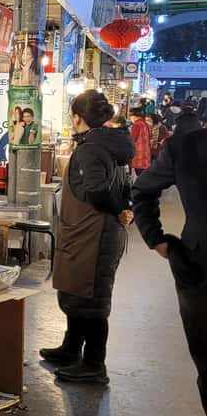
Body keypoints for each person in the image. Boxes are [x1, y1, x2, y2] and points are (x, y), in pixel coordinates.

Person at [43, 90, 134, 384]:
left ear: (77, 118)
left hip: (95, 235)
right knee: (77, 293)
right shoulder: (104, 143)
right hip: (86, 232)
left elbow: (96, 190)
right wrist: (123, 206)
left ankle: (94, 364)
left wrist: (119, 209)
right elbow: (122, 185)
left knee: (92, 300)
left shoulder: (91, 149)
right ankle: (71, 348)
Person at [131, 122, 207, 412]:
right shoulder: (185, 147)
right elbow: (142, 191)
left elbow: (141, 191)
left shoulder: (185, 146)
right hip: (199, 272)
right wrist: (154, 237)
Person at [129, 107, 152, 176]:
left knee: (138, 175)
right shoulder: (145, 123)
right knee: (143, 175)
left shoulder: (136, 125)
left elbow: (132, 140)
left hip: (139, 156)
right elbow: (150, 137)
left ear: (133, 116)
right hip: (146, 155)